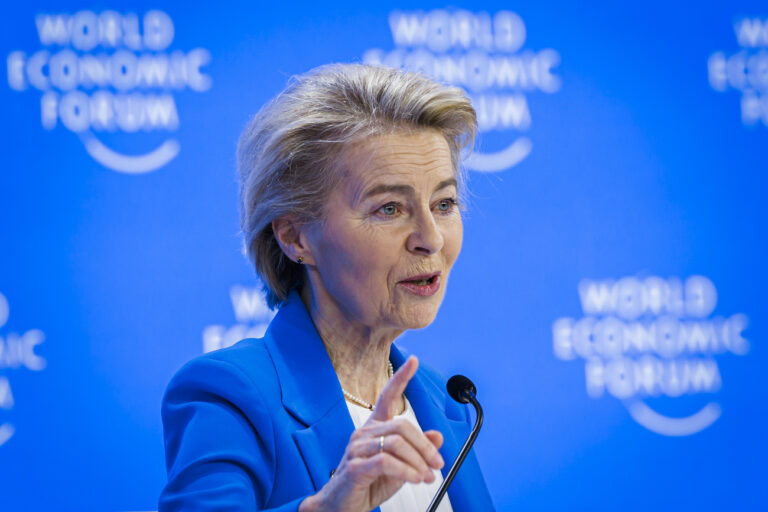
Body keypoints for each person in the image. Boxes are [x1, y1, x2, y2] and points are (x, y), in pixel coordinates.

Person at [159, 63, 495, 512]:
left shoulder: (445, 403)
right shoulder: (230, 394)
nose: (430, 237)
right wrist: (330, 506)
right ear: (296, 237)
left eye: (444, 203)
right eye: (390, 208)